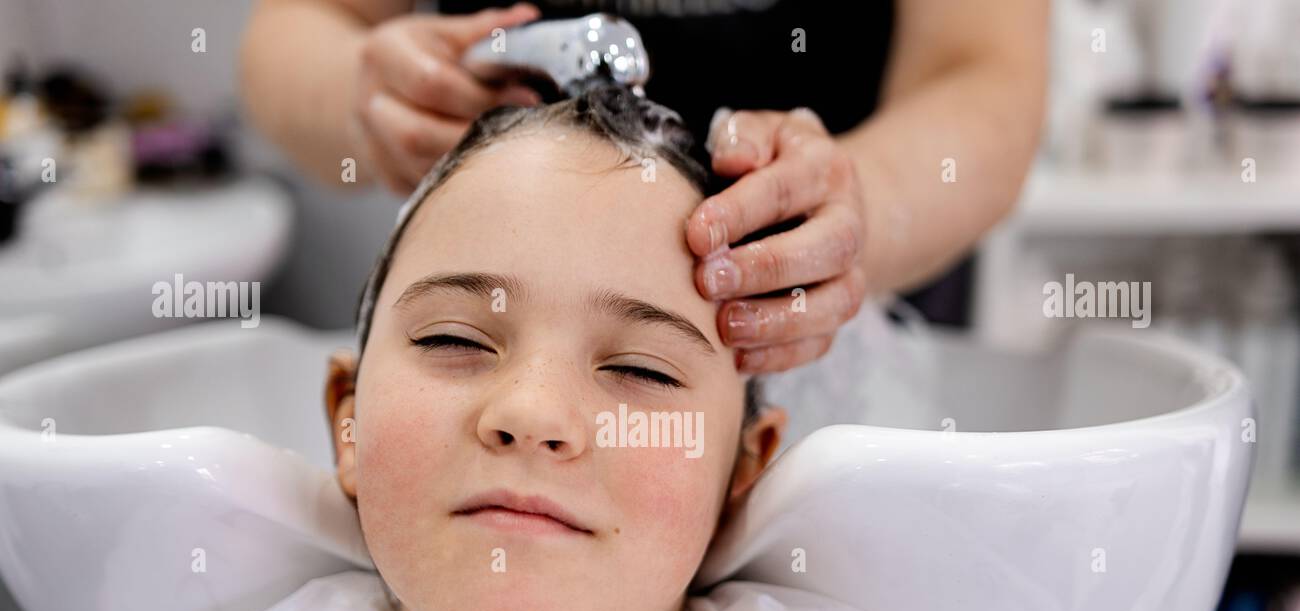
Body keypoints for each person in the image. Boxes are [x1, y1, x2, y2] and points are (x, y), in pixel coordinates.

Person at [0, 87, 1185, 611]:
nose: (533, 416)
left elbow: (984, 76)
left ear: (741, 473)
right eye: (459, 341)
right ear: (347, 423)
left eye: (637, 368)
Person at [240, 0, 1049, 372]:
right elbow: (297, 26)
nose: (539, 423)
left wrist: (855, 208)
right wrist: (365, 92)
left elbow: (983, 74)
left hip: (835, 348)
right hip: (506, 301)